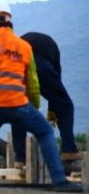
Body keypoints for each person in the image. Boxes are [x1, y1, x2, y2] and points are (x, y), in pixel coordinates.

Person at [0, 1, 80, 191]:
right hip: (14, 104)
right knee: (44, 131)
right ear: (10, 20)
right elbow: (33, 85)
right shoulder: (23, 46)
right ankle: (60, 181)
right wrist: (33, 108)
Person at [11, 32, 80, 164]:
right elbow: (56, 98)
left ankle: (20, 158)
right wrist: (51, 116)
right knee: (65, 106)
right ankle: (69, 149)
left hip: (15, 66)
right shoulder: (52, 54)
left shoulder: (22, 44)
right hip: (39, 62)